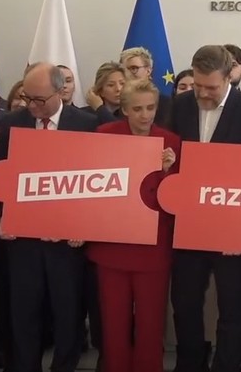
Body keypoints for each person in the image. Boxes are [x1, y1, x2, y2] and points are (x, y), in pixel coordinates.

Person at [0, 62, 106, 372]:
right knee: (24, 312)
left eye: (39, 100)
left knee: (68, 312)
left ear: (60, 92)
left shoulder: (86, 123)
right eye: (28, 98)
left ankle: (64, 366)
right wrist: (2, 218)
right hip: (23, 240)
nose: (32, 106)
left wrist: (85, 226)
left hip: (67, 242)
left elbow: (98, 180)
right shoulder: (13, 123)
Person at [169, 45, 241, 372]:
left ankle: (225, 365)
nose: (202, 93)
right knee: (185, 302)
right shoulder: (179, 105)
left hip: (233, 229)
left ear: (230, 77)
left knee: (232, 307)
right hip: (187, 224)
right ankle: (189, 364)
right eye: (198, 85)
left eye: (211, 87)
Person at [85, 79, 181, 372]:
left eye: (150, 108)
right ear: (125, 109)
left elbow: (176, 200)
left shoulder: (171, 141)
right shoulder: (104, 135)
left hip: (153, 247)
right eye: (138, 109)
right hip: (112, 245)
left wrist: (166, 173)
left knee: (151, 323)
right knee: (114, 322)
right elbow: (92, 186)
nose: (145, 115)